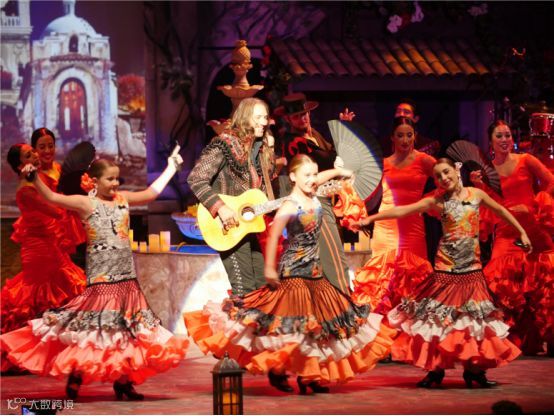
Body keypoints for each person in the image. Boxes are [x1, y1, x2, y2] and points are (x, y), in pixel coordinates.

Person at [185, 154, 396, 394]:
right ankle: (279, 370)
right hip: (294, 271)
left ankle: (309, 375)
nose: (312, 180)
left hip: (315, 271)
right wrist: (269, 268)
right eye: (307, 175)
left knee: (318, 324)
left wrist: (338, 172)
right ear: (293, 177)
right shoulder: (290, 205)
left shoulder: (313, 195)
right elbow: (275, 233)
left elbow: (320, 177)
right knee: (293, 324)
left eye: (314, 175)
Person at [1, 148, 188, 400]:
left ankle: (123, 381)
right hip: (102, 280)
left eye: (117, 178)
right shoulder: (85, 203)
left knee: (126, 330)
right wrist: (34, 179)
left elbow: (151, 193)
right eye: (109, 179)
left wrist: (171, 167)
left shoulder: (122, 199)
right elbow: (53, 198)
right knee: (94, 330)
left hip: (126, 278)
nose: (115, 183)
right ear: (94, 181)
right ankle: (77, 374)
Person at [354, 158, 528, 388]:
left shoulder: (476, 195)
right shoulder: (436, 202)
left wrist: (522, 232)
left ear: (456, 170)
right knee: (438, 320)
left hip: (472, 269)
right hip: (446, 269)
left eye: (446, 172)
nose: (444, 178)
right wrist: (371, 218)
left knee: (472, 321)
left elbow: (501, 211)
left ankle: (474, 371)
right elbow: (402, 210)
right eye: (438, 176)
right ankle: (435, 371)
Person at [471, 120, 554, 355]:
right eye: (499, 136)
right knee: (502, 284)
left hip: (532, 229)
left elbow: (551, 182)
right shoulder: (487, 171)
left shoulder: (526, 160)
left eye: (507, 135)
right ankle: (515, 339)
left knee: (543, 284)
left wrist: (535, 205)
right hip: (507, 233)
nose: (505, 140)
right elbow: (488, 205)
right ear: (491, 141)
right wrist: (479, 186)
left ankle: (547, 336)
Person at [1, 144, 86, 372]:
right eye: (29, 155)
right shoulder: (27, 190)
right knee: (42, 297)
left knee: (59, 293)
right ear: (20, 166)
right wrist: (75, 198)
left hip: (50, 245)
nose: (36, 155)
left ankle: (55, 350)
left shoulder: (38, 182)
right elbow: (56, 210)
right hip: (40, 251)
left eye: (33, 151)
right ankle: (29, 352)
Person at [187, 98, 276, 296]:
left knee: (262, 287)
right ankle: (244, 317)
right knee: (245, 290)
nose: (264, 122)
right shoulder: (224, 144)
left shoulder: (259, 150)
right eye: (258, 117)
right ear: (244, 118)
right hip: (227, 226)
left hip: (247, 226)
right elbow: (196, 179)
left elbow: (263, 193)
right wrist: (221, 207)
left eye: (265, 117)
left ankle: (254, 317)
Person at [352, 117, 436, 314]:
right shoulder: (383, 163)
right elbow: (366, 192)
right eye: (400, 135)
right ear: (392, 137)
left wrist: (429, 202)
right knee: (383, 277)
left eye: (409, 135)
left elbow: (447, 181)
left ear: (415, 136)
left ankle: (409, 324)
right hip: (385, 225)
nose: (405, 140)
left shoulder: (424, 160)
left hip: (412, 226)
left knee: (413, 275)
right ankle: (382, 323)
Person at [275, 93, 351, 294]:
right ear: (288, 119)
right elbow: (310, 176)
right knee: (333, 257)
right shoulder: (294, 143)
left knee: (328, 257)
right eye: (297, 116)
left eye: (305, 114)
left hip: (323, 198)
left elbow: (333, 155)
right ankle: (344, 301)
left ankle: (333, 301)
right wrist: (336, 171)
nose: (303, 118)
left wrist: (343, 130)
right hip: (312, 203)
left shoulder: (314, 135)